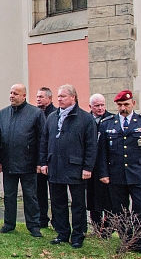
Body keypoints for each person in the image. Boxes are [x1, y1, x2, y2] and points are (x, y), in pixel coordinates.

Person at [98, 90, 141, 257]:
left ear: (133, 104)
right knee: (120, 210)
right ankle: (125, 240)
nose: (123, 108)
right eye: (120, 105)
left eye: (126, 104)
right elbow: (102, 152)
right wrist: (104, 173)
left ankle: (140, 243)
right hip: (116, 175)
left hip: (139, 174)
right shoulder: (108, 124)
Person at [39, 85, 97, 248]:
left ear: (73, 97)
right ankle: (62, 232)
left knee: (78, 204)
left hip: (76, 168)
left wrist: (88, 167)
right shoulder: (52, 117)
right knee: (58, 202)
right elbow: (44, 141)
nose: (59, 99)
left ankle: (78, 235)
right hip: (55, 166)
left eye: (63, 96)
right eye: (58, 96)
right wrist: (43, 162)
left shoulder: (85, 119)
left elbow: (91, 145)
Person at [0, 84, 45, 237]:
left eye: (15, 93)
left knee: (30, 195)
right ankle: (9, 223)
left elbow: (42, 139)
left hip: (28, 163)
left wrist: (39, 162)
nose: (12, 96)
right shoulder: (2, 114)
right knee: (9, 195)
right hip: (8, 162)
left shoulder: (35, 113)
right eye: (10, 93)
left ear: (24, 96)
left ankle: (34, 226)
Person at [88, 93, 114, 232]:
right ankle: (96, 228)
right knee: (93, 200)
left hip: (107, 167)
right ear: (90, 106)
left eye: (102, 105)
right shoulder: (86, 120)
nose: (100, 108)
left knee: (108, 200)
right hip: (91, 167)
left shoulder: (111, 119)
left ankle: (108, 229)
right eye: (97, 105)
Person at [35, 87, 56, 228]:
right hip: (39, 160)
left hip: (53, 159)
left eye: (41, 97)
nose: (38, 99)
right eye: (37, 96)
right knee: (39, 192)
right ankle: (42, 219)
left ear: (49, 98)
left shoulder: (55, 114)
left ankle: (57, 220)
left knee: (55, 193)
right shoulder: (35, 114)